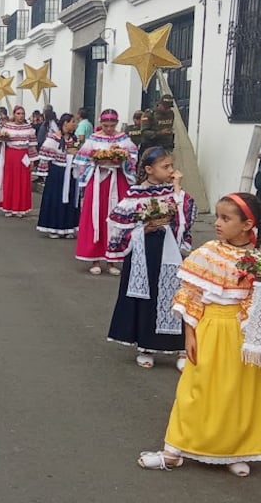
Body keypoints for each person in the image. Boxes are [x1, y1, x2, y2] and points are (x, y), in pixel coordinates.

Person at [137, 193, 261, 477]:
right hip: (211, 328)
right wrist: (189, 335)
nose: (217, 223)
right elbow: (190, 295)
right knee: (196, 390)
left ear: (247, 224)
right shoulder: (207, 254)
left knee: (240, 392)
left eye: (225, 218)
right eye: (217, 216)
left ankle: (236, 449)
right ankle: (174, 451)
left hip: (244, 332)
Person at [106, 147, 197, 370]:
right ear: (149, 169)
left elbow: (186, 217)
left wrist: (177, 189)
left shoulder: (175, 193)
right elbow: (119, 225)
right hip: (144, 251)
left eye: (171, 166)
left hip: (170, 251)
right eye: (165, 166)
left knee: (176, 295)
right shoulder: (135, 194)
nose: (170, 170)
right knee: (147, 297)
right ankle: (146, 345)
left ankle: (180, 347)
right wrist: (143, 230)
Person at [73, 110, 139, 275]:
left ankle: (112, 260)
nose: (109, 129)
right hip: (98, 183)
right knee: (97, 217)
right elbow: (81, 161)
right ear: (100, 124)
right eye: (105, 125)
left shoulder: (124, 139)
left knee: (116, 219)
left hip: (118, 181)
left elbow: (132, 158)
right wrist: (96, 163)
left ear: (116, 124)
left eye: (111, 125)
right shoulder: (93, 139)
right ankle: (95, 258)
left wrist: (120, 161)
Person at [36, 114, 82, 239]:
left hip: (71, 172)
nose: (75, 124)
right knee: (56, 199)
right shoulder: (54, 138)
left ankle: (68, 227)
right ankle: (54, 227)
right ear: (65, 123)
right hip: (58, 173)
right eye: (73, 122)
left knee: (71, 198)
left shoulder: (74, 139)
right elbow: (45, 154)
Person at [0, 107, 38, 218]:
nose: (21, 116)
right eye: (18, 113)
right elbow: (0, 142)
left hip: (24, 156)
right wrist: (2, 140)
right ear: (14, 114)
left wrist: (32, 161)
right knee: (9, 180)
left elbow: (32, 147)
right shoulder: (7, 127)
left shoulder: (29, 128)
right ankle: (8, 207)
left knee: (23, 181)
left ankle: (21, 208)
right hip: (11, 155)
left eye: (23, 113)